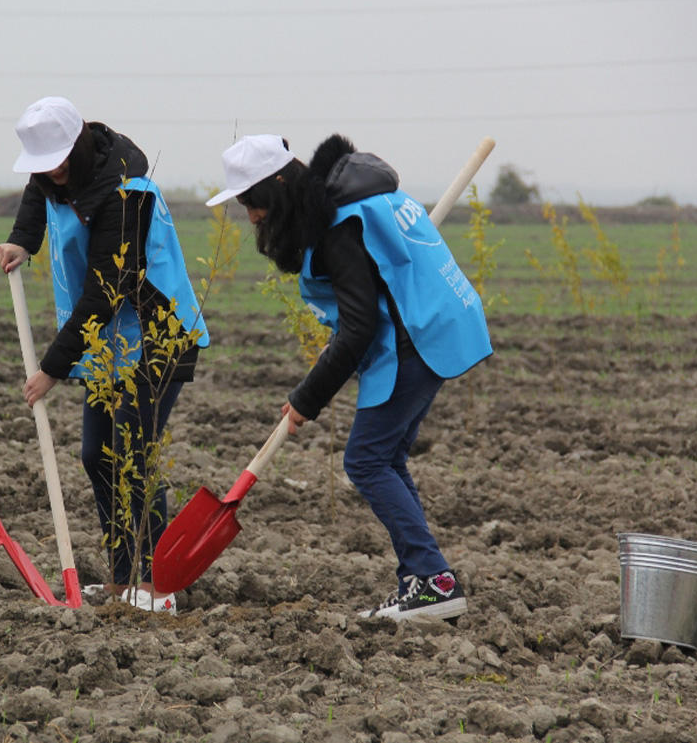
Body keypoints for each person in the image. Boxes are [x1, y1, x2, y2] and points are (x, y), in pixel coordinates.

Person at [206, 133, 492, 621]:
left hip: (417, 333)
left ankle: (432, 580)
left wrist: (306, 398)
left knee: (366, 459)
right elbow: (368, 297)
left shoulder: (340, 222)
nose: (250, 216)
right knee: (386, 458)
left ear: (274, 188)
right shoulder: (349, 199)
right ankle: (424, 580)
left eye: (251, 202)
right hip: (436, 321)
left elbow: (360, 328)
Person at [0, 97, 209, 614]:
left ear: (80, 144)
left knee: (133, 455)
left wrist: (51, 367)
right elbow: (37, 190)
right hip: (107, 342)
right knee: (98, 455)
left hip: (157, 333)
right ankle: (122, 579)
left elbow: (105, 291)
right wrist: (23, 240)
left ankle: (160, 585)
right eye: (43, 165)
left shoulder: (125, 193)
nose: (52, 173)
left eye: (59, 162)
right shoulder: (51, 174)